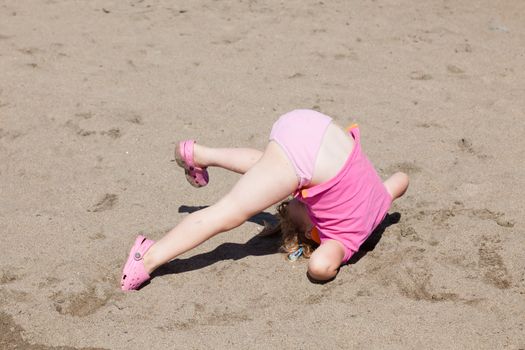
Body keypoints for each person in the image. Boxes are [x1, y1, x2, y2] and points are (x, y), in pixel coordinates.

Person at [120, 109, 409, 290]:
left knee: (271, 171)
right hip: (306, 154)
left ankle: (198, 154)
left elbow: (401, 180)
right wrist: (339, 256)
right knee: (229, 212)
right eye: (298, 206)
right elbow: (321, 267)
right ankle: (147, 257)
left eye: (300, 204)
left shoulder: (381, 198)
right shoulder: (339, 239)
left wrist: (384, 210)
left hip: (316, 125)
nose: (295, 200)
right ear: (313, 232)